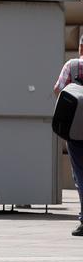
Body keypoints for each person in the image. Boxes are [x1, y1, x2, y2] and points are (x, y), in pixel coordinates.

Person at [54, 34, 83, 237]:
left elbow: (58, 90)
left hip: (77, 130)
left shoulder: (72, 66)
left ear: (80, 48)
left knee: (80, 174)